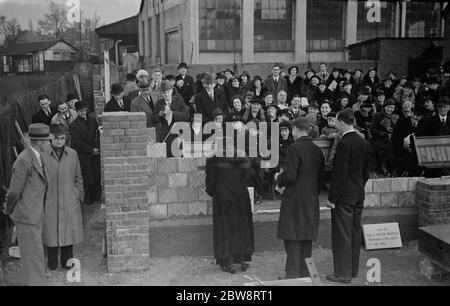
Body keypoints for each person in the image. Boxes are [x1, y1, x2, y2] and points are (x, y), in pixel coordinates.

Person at [275, 117, 325, 279]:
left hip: (294, 200)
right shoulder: (317, 150)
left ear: (295, 129)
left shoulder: (294, 148)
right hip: (311, 200)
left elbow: (290, 176)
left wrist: (278, 178)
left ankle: (292, 277)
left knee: (292, 239)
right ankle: (305, 275)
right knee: (306, 240)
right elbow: (321, 180)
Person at [326, 109, 371, 284]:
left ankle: (342, 275)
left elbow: (339, 175)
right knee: (353, 232)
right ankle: (352, 270)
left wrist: (332, 198)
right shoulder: (364, 142)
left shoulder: (344, 144)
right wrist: (358, 187)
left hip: (343, 196)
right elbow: (366, 172)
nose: (335, 125)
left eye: (336, 122)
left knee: (342, 235)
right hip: (359, 193)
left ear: (343, 122)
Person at [4, 123, 52, 286]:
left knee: (37, 253)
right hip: (26, 216)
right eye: (47, 141)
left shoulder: (37, 157)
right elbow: (14, 192)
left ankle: (39, 281)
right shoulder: (23, 161)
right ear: (39, 142)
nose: (49, 143)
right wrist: (9, 210)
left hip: (35, 214)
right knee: (32, 255)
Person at [205, 143, 254, 274]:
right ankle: (243, 259)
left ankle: (227, 262)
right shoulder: (242, 157)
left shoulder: (213, 159)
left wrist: (217, 191)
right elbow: (249, 176)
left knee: (225, 228)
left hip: (223, 198)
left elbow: (210, 185)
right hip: (241, 197)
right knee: (241, 225)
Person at [42, 125, 83, 271]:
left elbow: (78, 177)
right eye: (56, 139)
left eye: (62, 138)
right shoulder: (43, 155)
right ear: (50, 138)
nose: (59, 142)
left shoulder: (72, 154)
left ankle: (67, 261)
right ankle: (52, 262)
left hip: (69, 198)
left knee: (68, 232)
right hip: (50, 199)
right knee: (50, 231)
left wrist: (78, 194)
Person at [70, 101, 101, 205]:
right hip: (84, 154)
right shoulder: (73, 125)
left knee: (97, 175)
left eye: (84, 110)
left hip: (95, 153)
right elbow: (77, 141)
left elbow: (97, 134)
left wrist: (96, 147)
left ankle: (97, 195)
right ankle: (88, 197)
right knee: (87, 177)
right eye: (81, 111)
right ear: (77, 111)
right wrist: (90, 150)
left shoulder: (92, 120)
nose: (83, 112)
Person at [153, 81, 189, 157]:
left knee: (179, 156)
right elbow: (154, 118)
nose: (166, 95)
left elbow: (186, 115)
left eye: (168, 92)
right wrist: (159, 115)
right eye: (164, 93)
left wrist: (173, 114)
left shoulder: (179, 100)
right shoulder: (159, 103)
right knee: (168, 157)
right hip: (166, 135)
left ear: (172, 91)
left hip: (178, 134)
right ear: (161, 93)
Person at [371, 99, 399, 175]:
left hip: (392, 138)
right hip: (380, 138)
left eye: (392, 107)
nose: (390, 109)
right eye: (388, 107)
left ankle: (394, 168)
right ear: (384, 107)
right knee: (387, 146)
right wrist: (384, 131)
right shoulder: (377, 115)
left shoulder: (395, 117)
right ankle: (384, 166)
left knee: (396, 146)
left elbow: (398, 130)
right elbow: (373, 130)